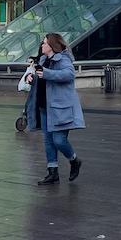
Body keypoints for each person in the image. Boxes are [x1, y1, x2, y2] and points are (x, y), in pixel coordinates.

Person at [25, 32, 85, 185]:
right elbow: (40, 76)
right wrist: (31, 78)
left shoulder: (63, 59)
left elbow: (69, 74)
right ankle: (52, 172)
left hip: (60, 107)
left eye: (44, 43)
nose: (42, 45)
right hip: (45, 106)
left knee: (59, 140)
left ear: (52, 45)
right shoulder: (44, 59)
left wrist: (47, 73)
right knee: (48, 141)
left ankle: (74, 160)